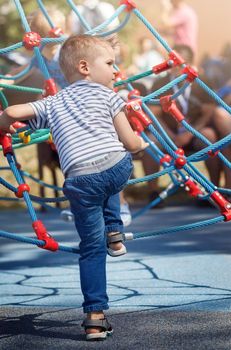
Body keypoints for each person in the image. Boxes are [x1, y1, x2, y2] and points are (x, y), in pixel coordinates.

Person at [0, 34, 148, 340]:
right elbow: (129, 142)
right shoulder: (109, 96)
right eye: (109, 63)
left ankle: (94, 318)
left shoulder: (53, 102)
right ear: (84, 67)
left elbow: (13, 113)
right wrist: (142, 145)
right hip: (115, 168)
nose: (116, 70)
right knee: (113, 171)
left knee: (91, 250)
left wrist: (4, 125)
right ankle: (115, 230)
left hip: (78, 182)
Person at [142, 44, 223, 206]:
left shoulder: (201, 82)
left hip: (195, 131)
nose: (174, 66)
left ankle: (213, 190)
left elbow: (209, 112)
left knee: (210, 137)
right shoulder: (162, 84)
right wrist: (171, 137)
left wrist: (190, 133)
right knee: (150, 142)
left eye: (178, 62)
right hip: (168, 133)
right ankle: (153, 192)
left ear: (188, 62)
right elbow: (153, 115)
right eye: (171, 62)